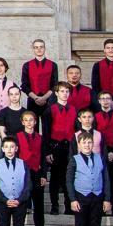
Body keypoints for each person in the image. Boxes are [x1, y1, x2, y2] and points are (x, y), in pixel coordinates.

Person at [65, 132, 111, 226]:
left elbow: (106, 179)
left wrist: (107, 199)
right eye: (84, 142)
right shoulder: (74, 159)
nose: (87, 145)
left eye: (89, 142)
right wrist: (72, 199)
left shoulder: (100, 158)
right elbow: (69, 181)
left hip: (96, 197)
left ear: (93, 144)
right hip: (81, 197)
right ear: (79, 145)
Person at [13, 111, 51, 226]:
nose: (29, 123)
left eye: (31, 120)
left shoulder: (40, 138)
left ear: (35, 122)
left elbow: (43, 158)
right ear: (22, 122)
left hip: (36, 173)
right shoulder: (17, 137)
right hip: (22, 174)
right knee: (21, 204)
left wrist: (44, 175)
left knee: (39, 204)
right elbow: (15, 156)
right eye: (26, 120)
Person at [45, 83, 78, 214]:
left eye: (67, 91)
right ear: (56, 93)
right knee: (54, 178)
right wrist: (48, 151)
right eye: (62, 91)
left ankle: (68, 206)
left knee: (68, 177)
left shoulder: (74, 109)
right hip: (55, 147)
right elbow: (46, 132)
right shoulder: (50, 110)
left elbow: (77, 130)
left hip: (69, 148)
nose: (65, 94)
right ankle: (55, 206)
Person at [21, 39, 59, 116]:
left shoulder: (53, 65)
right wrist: (36, 98)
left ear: (45, 48)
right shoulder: (26, 65)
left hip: (49, 100)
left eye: (41, 47)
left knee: (48, 123)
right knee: (32, 123)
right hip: (32, 100)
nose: (39, 49)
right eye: (36, 47)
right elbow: (24, 85)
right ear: (33, 49)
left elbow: (55, 85)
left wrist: (44, 98)